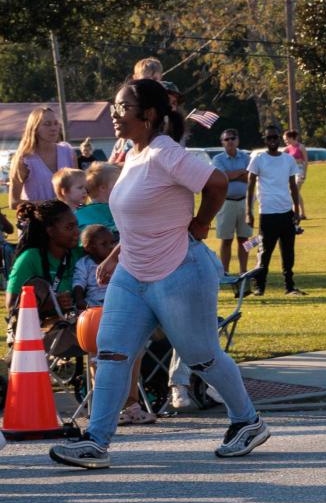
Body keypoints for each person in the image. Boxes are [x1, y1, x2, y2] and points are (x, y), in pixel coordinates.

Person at [49, 78, 268, 468]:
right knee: (112, 351)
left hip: (179, 270)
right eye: (114, 107)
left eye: (122, 107)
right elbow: (140, 217)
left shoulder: (165, 152)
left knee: (201, 355)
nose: (114, 114)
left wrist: (201, 224)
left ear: (148, 114)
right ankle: (96, 442)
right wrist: (114, 256)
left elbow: (216, 183)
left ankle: (247, 421)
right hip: (132, 274)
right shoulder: (133, 155)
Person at [5, 199, 84, 325]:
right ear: (50, 231)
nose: (77, 231)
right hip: (39, 334)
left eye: (76, 225)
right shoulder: (30, 258)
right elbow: (11, 306)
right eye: (69, 227)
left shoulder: (79, 254)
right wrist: (50, 304)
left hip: (78, 329)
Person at [247, 126, 304, 297]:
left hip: (286, 212)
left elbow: (293, 186)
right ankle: (259, 287)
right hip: (267, 213)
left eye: (275, 138)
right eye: (269, 138)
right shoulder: (259, 159)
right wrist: (248, 212)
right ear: (265, 140)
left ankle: (290, 287)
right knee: (264, 252)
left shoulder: (288, 160)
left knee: (288, 253)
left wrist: (296, 209)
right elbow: (250, 186)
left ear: (279, 139)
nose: (272, 140)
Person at [8, 104, 76, 210]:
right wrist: (51, 204)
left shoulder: (68, 152)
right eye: (47, 124)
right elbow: (14, 202)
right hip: (37, 223)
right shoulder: (24, 159)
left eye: (55, 123)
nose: (53, 128)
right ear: (35, 128)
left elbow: (78, 190)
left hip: (66, 222)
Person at [209, 129, 254, 275]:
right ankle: (225, 272)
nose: (230, 141)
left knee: (244, 239)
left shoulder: (246, 157)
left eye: (232, 138)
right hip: (225, 203)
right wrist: (240, 172)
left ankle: (243, 271)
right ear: (222, 142)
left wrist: (232, 175)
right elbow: (222, 178)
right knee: (226, 239)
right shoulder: (218, 159)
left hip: (245, 203)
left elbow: (250, 177)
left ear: (237, 140)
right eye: (226, 139)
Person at [74, 223, 114, 310]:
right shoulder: (84, 263)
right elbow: (79, 283)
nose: (111, 247)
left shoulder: (116, 262)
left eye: (112, 242)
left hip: (115, 299)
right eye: (104, 244)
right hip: (94, 304)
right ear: (90, 248)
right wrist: (79, 300)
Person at [283, 129, 310, 194]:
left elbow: (306, 161)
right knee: (295, 192)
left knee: (294, 191)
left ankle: (292, 204)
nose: (285, 141)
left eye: (286, 139)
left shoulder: (301, 147)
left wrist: (304, 173)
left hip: (300, 171)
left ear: (291, 138)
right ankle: (299, 204)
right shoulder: (287, 148)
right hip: (291, 171)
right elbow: (280, 157)